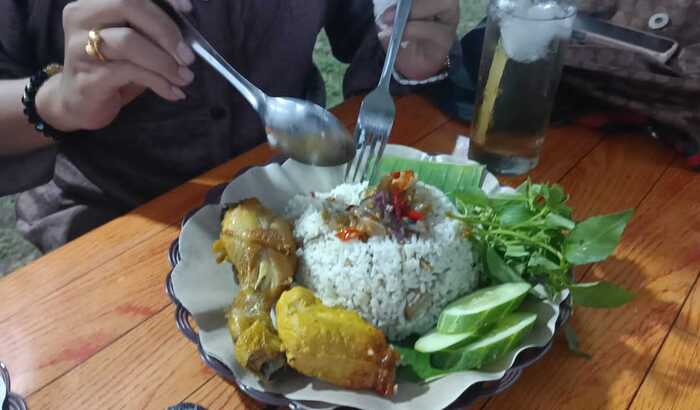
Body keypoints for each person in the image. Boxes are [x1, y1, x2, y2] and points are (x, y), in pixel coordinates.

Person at [0, 0, 459, 252]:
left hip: (298, 197)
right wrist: (57, 101)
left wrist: (409, 51)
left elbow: (372, 27)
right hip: (110, 229)